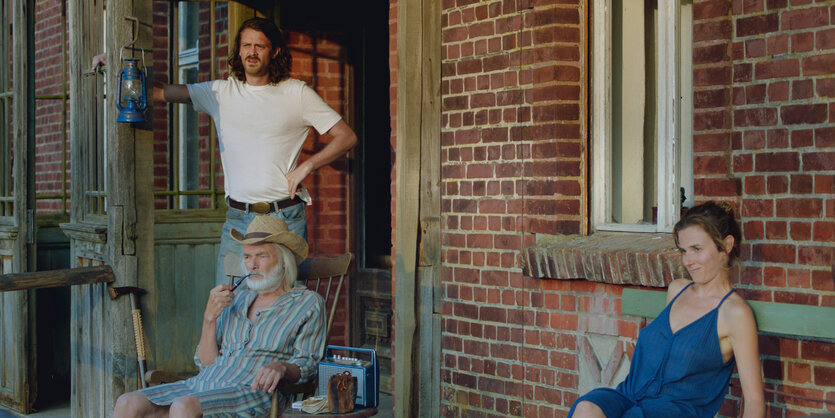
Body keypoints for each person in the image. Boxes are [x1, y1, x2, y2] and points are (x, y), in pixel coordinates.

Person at [93, 17, 357, 285]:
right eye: (246, 45)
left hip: (284, 218)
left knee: (282, 307)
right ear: (239, 50)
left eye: (260, 46)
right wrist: (119, 67)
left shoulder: (296, 93)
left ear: (275, 51)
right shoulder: (220, 92)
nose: (252, 52)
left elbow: (346, 137)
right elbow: (161, 92)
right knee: (226, 305)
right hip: (238, 221)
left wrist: (307, 166)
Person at [112, 216, 327, 417]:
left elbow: (308, 363)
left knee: (183, 406)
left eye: (261, 256)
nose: (252, 265)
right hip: (205, 384)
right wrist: (209, 318)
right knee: (127, 402)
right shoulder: (237, 299)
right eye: (247, 257)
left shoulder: (306, 303)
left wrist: (282, 367)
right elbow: (207, 364)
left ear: (283, 261)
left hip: (254, 391)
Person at [570, 201, 764, 417]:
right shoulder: (677, 290)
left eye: (697, 249)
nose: (688, 261)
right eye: (684, 251)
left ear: (727, 245)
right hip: (628, 397)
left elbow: (754, 400)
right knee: (587, 408)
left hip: (672, 411)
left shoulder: (734, 313)